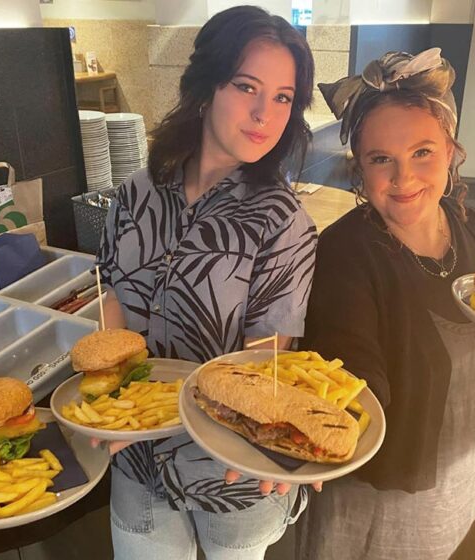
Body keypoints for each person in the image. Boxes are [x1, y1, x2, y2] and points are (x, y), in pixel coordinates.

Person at [93, 6, 318, 559]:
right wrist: (109, 400)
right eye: (247, 86)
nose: (266, 113)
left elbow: (263, 359)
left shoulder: (283, 222)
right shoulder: (136, 193)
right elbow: (110, 297)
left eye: (284, 97)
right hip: (138, 460)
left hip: (231, 475)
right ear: (205, 88)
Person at [297, 48, 475, 559]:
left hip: (471, 478)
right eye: (380, 160)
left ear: (452, 151)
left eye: (422, 153)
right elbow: (349, 376)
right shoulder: (346, 256)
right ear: (359, 169)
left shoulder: (473, 229)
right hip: (385, 510)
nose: (404, 178)